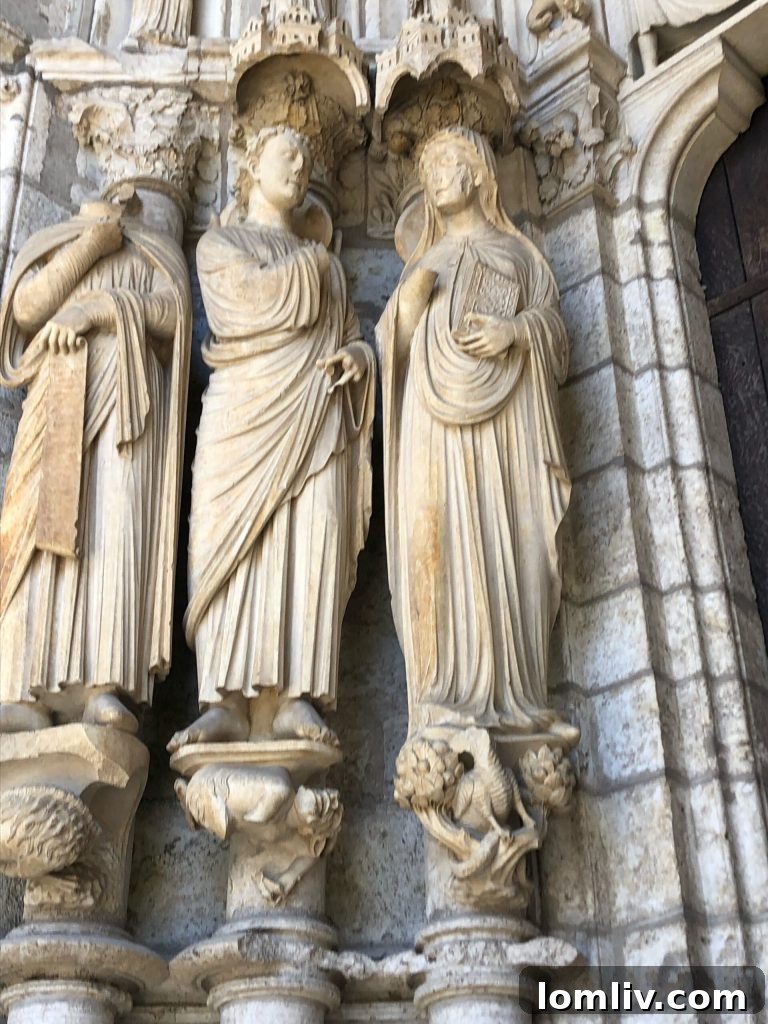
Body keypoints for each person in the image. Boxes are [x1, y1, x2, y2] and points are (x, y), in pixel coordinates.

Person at [168, 126, 375, 752]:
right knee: (230, 548)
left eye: (307, 156)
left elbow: (345, 332)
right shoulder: (222, 244)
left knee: (308, 540)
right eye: (287, 153)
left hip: (316, 418)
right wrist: (314, 265)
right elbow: (244, 306)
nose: (301, 164)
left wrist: (361, 356)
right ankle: (224, 699)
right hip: (245, 415)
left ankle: (295, 696)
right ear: (252, 164)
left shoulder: (331, 270)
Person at [377, 126, 577, 743]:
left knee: (504, 540)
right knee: (434, 541)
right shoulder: (422, 263)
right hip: (432, 433)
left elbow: (558, 339)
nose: (438, 173)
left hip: (507, 433)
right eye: (430, 165)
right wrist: (406, 315)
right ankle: (444, 695)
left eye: (450, 161)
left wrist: (516, 333)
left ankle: (515, 692)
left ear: (478, 175)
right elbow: (394, 356)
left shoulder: (519, 256)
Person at [0, 189, 191, 734]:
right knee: (38, 537)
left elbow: (173, 317)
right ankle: (24, 684)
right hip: (58, 395)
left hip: (128, 407)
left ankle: (107, 684)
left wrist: (101, 309)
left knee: (116, 529)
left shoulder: (154, 251)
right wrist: (90, 246)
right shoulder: (64, 244)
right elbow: (29, 307)